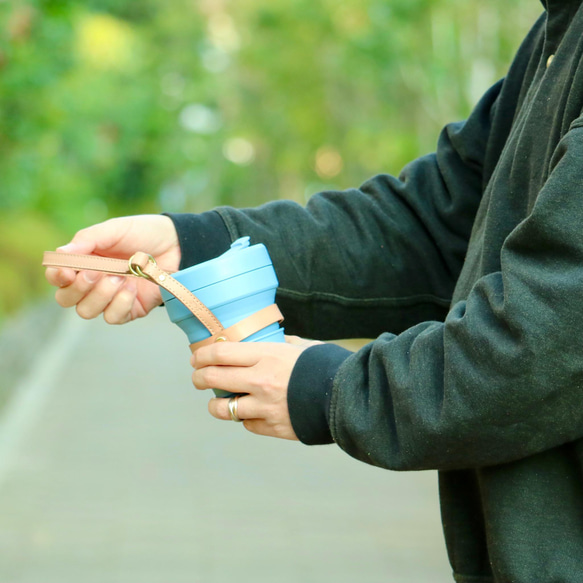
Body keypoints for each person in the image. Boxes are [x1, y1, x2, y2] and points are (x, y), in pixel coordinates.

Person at [45, 1, 583, 581]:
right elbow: (429, 227)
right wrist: (198, 244)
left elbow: (545, 338)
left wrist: (332, 389)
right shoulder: (559, 32)